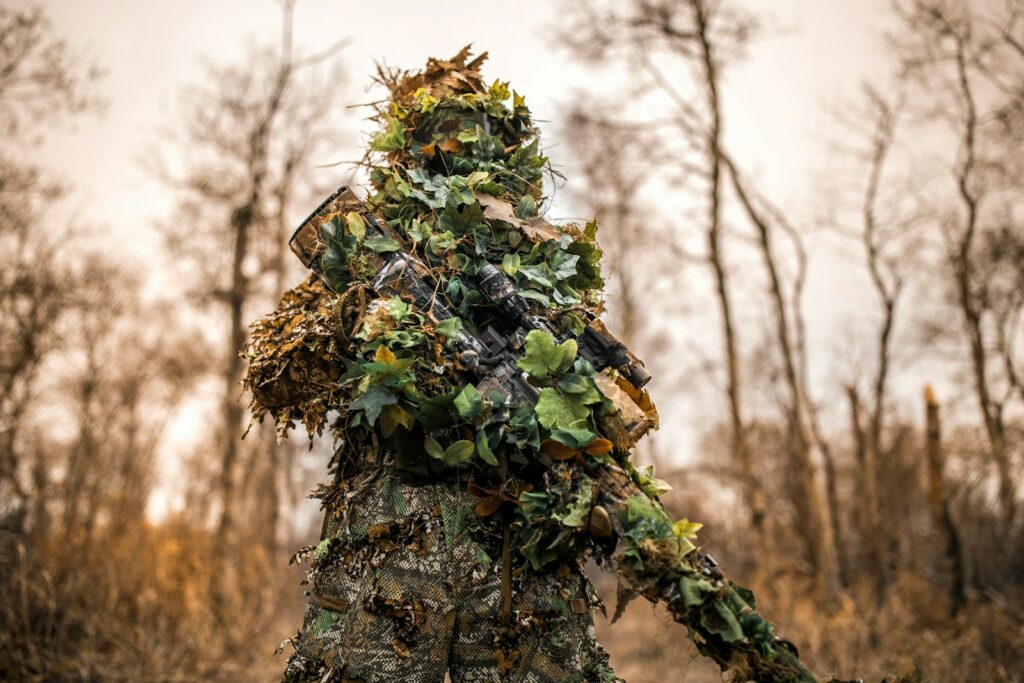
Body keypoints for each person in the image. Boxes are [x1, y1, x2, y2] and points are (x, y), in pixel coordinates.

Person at [245, 47, 822, 683]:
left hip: (519, 580)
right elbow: (275, 378)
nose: (457, 145)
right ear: (409, 143)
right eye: (440, 125)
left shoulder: (546, 260)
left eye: (473, 122)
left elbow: (588, 403)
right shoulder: (371, 245)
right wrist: (377, 335)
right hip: (388, 564)